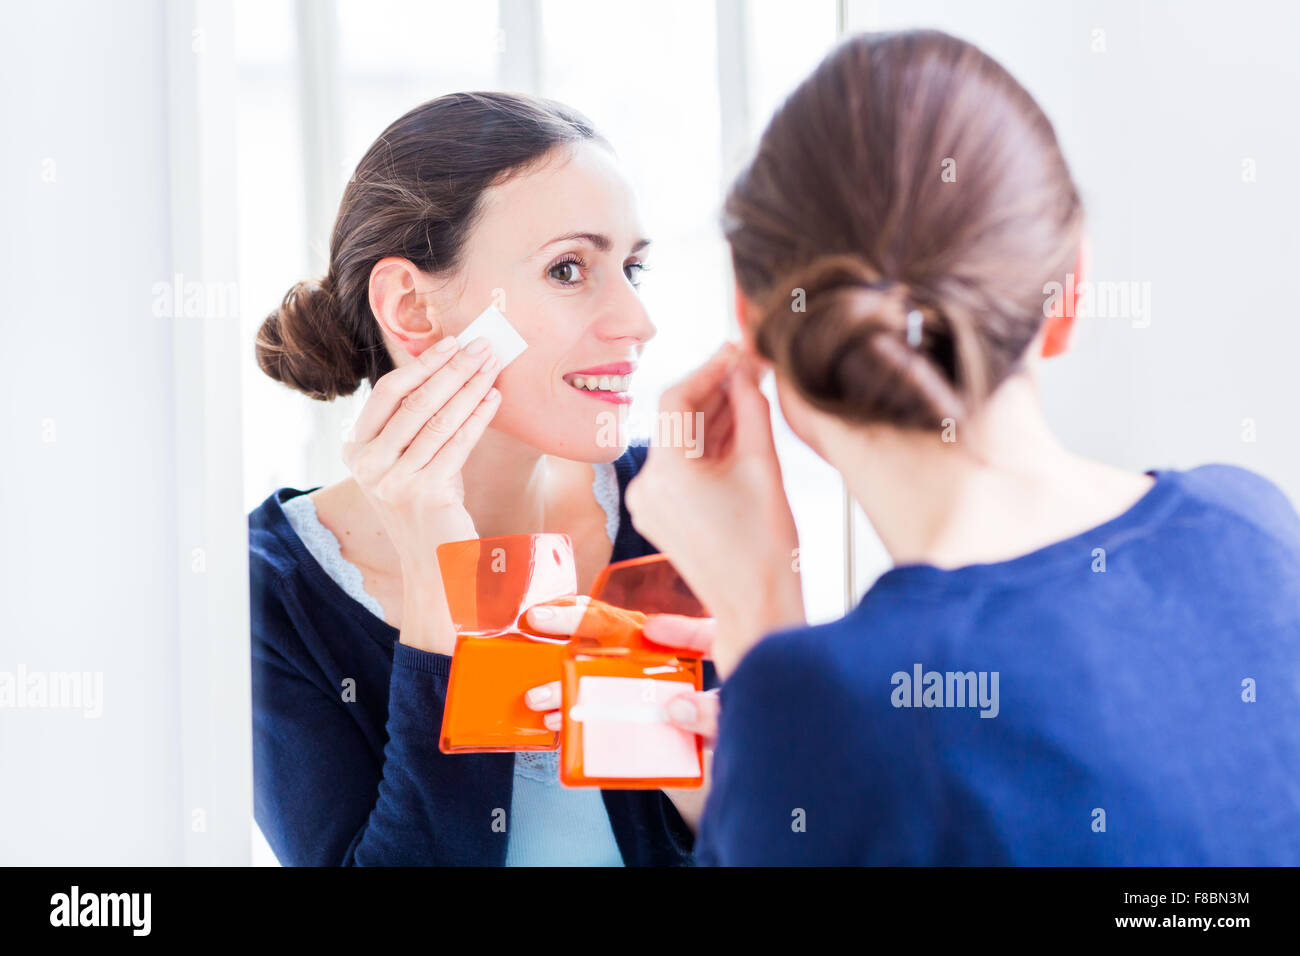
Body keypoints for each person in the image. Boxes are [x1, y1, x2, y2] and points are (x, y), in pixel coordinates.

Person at [625, 30, 1300, 864]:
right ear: (1070, 294)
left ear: (749, 320)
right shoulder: (1255, 526)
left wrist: (759, 619)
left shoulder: (824, 707)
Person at [249, 91, 714, 866]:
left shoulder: (671, 505)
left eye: (633, 267)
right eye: (569, 268)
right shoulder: (270, 600)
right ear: (412, 308)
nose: (636, 321)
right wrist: (443, 584)